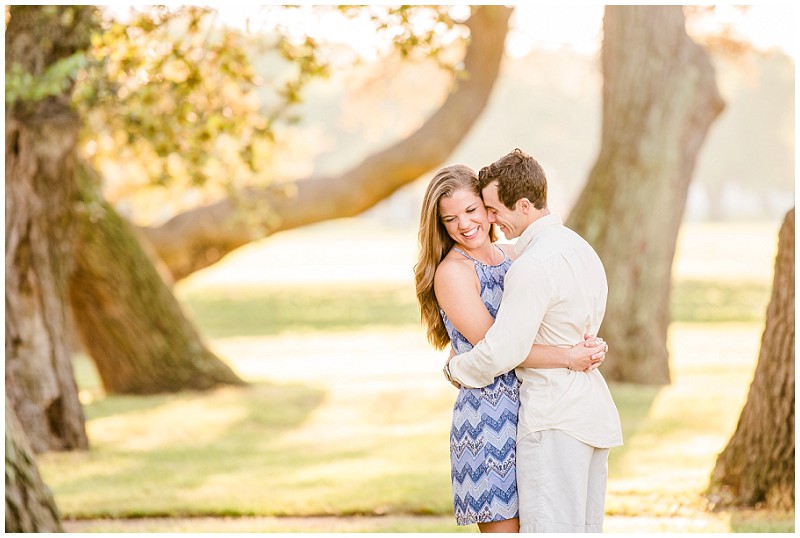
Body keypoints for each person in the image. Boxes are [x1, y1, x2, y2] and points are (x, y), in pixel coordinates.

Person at [415, 164, 608, 533]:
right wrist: (570, 357)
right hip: (490, 420)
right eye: (450, 218)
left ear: (489, 209)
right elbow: (500, 348)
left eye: (472, 211)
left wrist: (582, 342)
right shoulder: (453, 272)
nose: (464, 225)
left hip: (533, 408)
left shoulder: (517, 257)